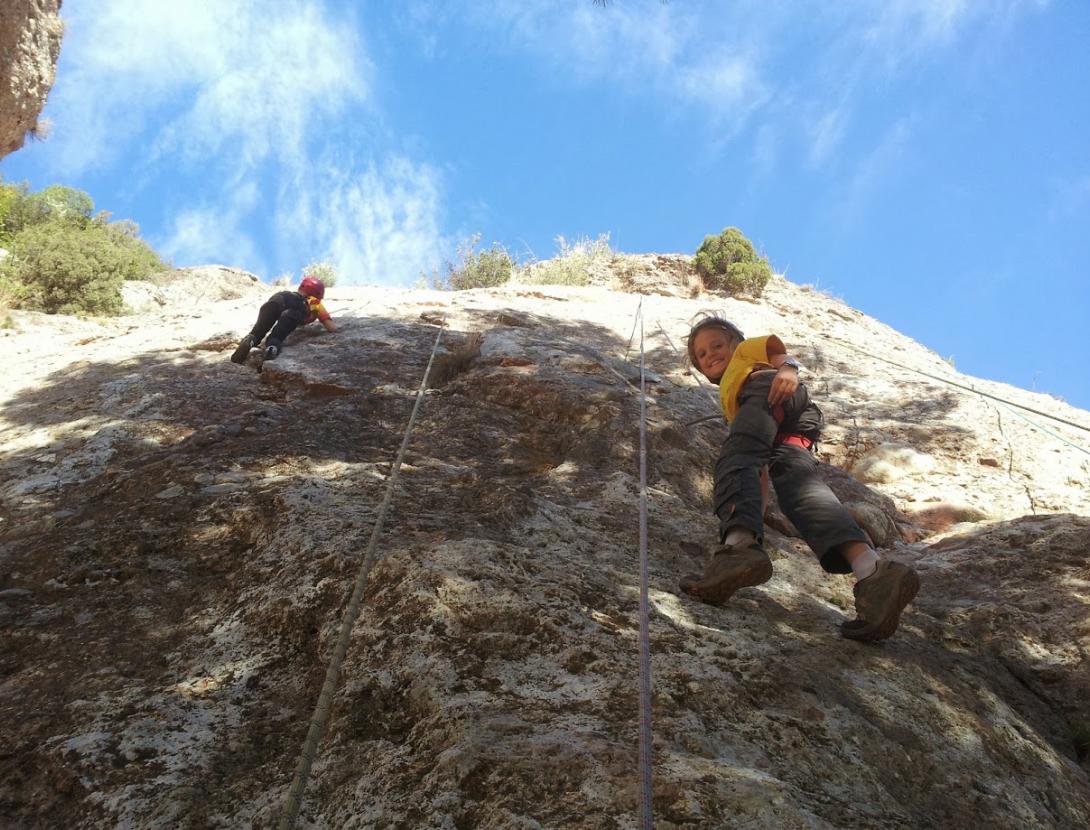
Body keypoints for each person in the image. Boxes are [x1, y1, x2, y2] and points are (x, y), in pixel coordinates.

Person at [680, 314, 919, 641]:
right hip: (791, 427)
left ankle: (736, 549)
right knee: (799, 490)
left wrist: (788, 370)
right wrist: (756, 517)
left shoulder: (748, 356)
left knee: (736, 454)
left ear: (735, 344)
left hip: (769, 389)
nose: (710, 355)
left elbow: (781, 356)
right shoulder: (734, 391)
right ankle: (874, 572)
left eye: (716, 345)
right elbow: (757, 468)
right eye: (702, 355)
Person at [230, 276, 337, 364]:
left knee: (259, 331)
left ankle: (249, 341)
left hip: (277, 299)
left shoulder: (288, 293)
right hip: (295, 310)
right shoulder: (315, 302)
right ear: (318, 294)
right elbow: (331, 327)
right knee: (277, 336)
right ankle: (272, 348)